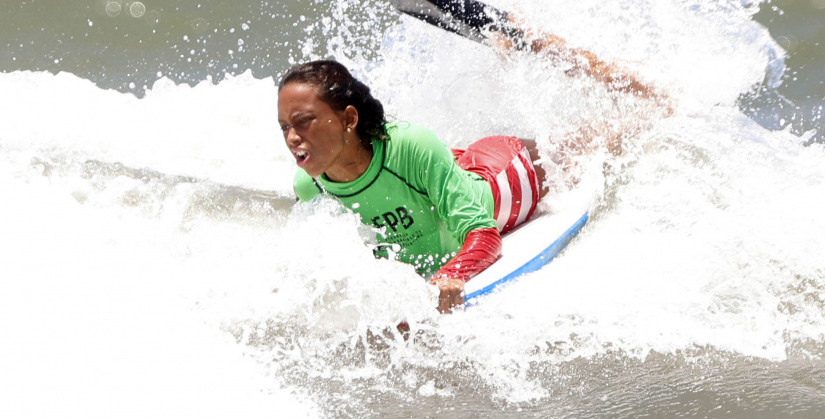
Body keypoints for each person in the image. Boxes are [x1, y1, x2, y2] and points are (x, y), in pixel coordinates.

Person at [277, 26, 663, 314]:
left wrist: (455, 272)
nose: (293, 138)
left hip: (502, 180)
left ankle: (652, 101)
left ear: (348, 118)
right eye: (285, 128)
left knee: (595, 144)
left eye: (304, 121)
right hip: (451, 169)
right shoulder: (310, 184)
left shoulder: (410, 144)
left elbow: (483, 233)